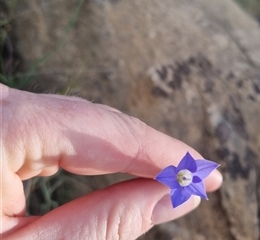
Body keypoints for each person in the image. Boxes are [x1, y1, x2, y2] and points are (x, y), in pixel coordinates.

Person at [0, 83, 222, 239]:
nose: (184, 176)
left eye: (186, 176)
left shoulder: (189, 176)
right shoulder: (178, 174)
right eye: (184, 175)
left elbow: (194, 181)